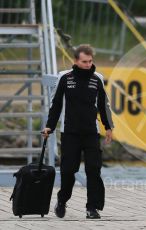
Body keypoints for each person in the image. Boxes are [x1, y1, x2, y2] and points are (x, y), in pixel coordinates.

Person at [42, 44, 114, 219]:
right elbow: (56, 104)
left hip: (91, 133)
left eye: (90, 61)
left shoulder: (97, 79)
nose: (88, 64)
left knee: (93, 170)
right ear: (75, 61)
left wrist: (109, 127)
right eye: (84, 62)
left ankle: (92, 208)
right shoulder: (64, 78)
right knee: (68, 171)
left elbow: (104, 106)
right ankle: (62, 200)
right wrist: (49, 126)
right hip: (70, 133)